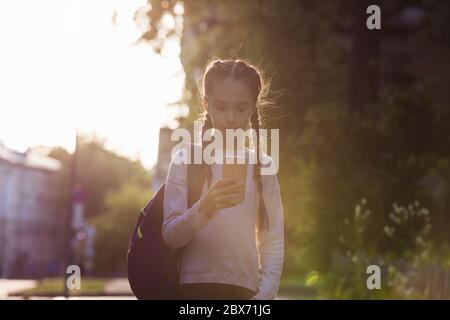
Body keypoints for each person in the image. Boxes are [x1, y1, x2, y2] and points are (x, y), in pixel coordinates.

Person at [162, 58, 284, 300]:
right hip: (193, 290)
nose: (231, 118)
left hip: (244, 290)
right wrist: (204, 208)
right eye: (221, 106)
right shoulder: (185, 159)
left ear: (253, 106)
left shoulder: (264, 166)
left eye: (241, 108)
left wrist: (264, 296)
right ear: (206, 104)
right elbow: (171, 236)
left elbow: (273, 239)